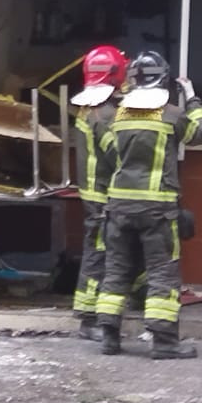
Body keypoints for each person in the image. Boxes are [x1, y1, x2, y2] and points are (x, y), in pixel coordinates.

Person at [95, 49, 202, 361]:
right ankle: (164, 342)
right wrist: (193, 98)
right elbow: (201, 134)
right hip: (157, 208)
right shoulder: (171, 114)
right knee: (162, 273)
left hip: (118, 206)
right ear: (164, 79)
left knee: (116, 270)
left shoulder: (114, 115)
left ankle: (108, 336)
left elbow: (108, 155)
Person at [70, 45, 127, 338]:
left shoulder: (88, 106)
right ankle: (88, 319)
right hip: (104, 195)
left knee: (100, 252)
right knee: (99, 256)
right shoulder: (104, 113)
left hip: (93, 193)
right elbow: (118, 154)